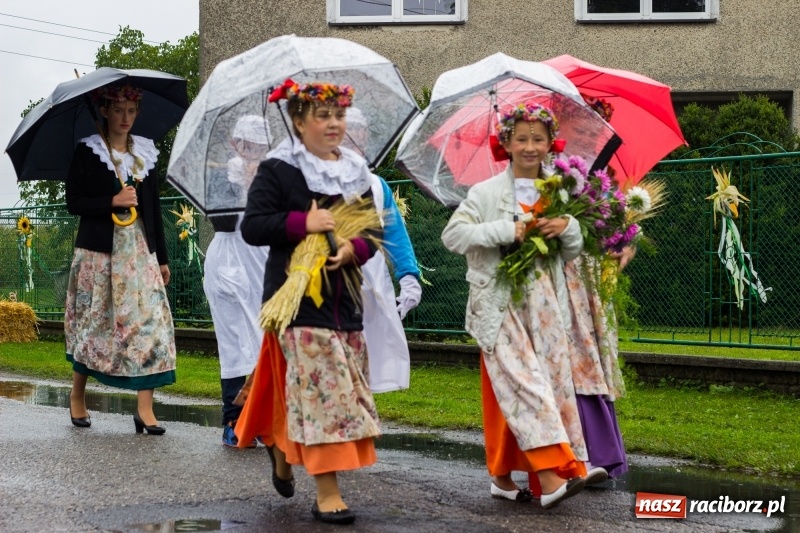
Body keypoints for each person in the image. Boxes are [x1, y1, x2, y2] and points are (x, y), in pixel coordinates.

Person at [238, 79, 384, 525]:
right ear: (298, 121)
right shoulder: (278, 169)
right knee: (327, 393)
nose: (333, 124)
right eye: (322, 116)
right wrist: (305, 221)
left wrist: (350, 251)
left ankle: (282, 448)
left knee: (340, 389)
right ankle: (328, 492)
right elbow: (254, 227)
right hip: (296, 300)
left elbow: (370, 233)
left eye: (338, 115)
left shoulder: (354, 170)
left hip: (345, 299)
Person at [441, 102, 588, 509]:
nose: (529, 146)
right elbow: (453, 236)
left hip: (544, 305)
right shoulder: (485, 193)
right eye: (520, 138)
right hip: (499, 302)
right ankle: (555, 472)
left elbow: (573, 250)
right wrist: (510, 229)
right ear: (505, 142)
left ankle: (505, 476)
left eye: (537, 139)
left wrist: (567, 226)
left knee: (541, 382)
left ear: (549, 144)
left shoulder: (558, 191)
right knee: (524, 383)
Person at [65, 83, 175, 435]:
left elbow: (154, 209)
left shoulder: (146, 152)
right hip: (99, 254)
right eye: (118, 110)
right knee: (94, 325)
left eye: (131, 110)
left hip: (139, 252)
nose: (125, 118)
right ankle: (77, 395)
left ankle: (144, 408)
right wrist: (111, 201)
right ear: (105, 111)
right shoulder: (88, 151)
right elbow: (74, 202)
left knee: (151, 323)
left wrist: (161, 257)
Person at [203, 115, 271, 447]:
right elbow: (223, 223)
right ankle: (233, 418)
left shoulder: (273, 176)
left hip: (262, 263)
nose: (254, 152)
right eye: (249, 146)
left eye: (261, 147)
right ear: (236, 144)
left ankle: (257, 417)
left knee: (264, 342)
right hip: (228, 266)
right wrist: (242, 184)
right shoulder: (221, 175)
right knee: (233, 343)